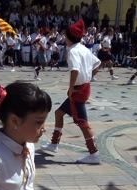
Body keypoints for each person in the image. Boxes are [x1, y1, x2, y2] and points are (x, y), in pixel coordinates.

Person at [40, 19, 102, 165]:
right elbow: (97, 63)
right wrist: (89, 77)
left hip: (78, 90)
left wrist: (71, 87)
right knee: (59, 113)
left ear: (69, 38)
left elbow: (75, 70)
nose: (64, 38)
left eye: (65, 36)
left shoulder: (73, 51)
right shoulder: (84, 49)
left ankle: (94, 154)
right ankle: (54, 144)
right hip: (84, 87)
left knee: (82, 122)